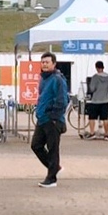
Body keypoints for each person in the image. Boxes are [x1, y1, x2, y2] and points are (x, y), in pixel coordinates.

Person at [31, 53, 68, 187]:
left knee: (53, 149)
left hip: (52, 120)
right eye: (43, 62)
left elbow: (63, 100)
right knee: (36, 145)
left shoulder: (58, 79)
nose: (45, 64)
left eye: (47, 62)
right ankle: (55, 167)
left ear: (54, 64)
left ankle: (51, 178)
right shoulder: (43, 79)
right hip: (42, 119)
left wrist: (53, 115)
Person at [83, 60, 108, 140]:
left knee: (92, 117)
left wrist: (96, 89)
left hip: (95, 100)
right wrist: (106, 89)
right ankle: (106, 134)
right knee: (105, 118)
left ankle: (92, 133)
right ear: (103, 67)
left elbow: (92, 88)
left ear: (96, 67)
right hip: (105, 100)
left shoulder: (95, 77)